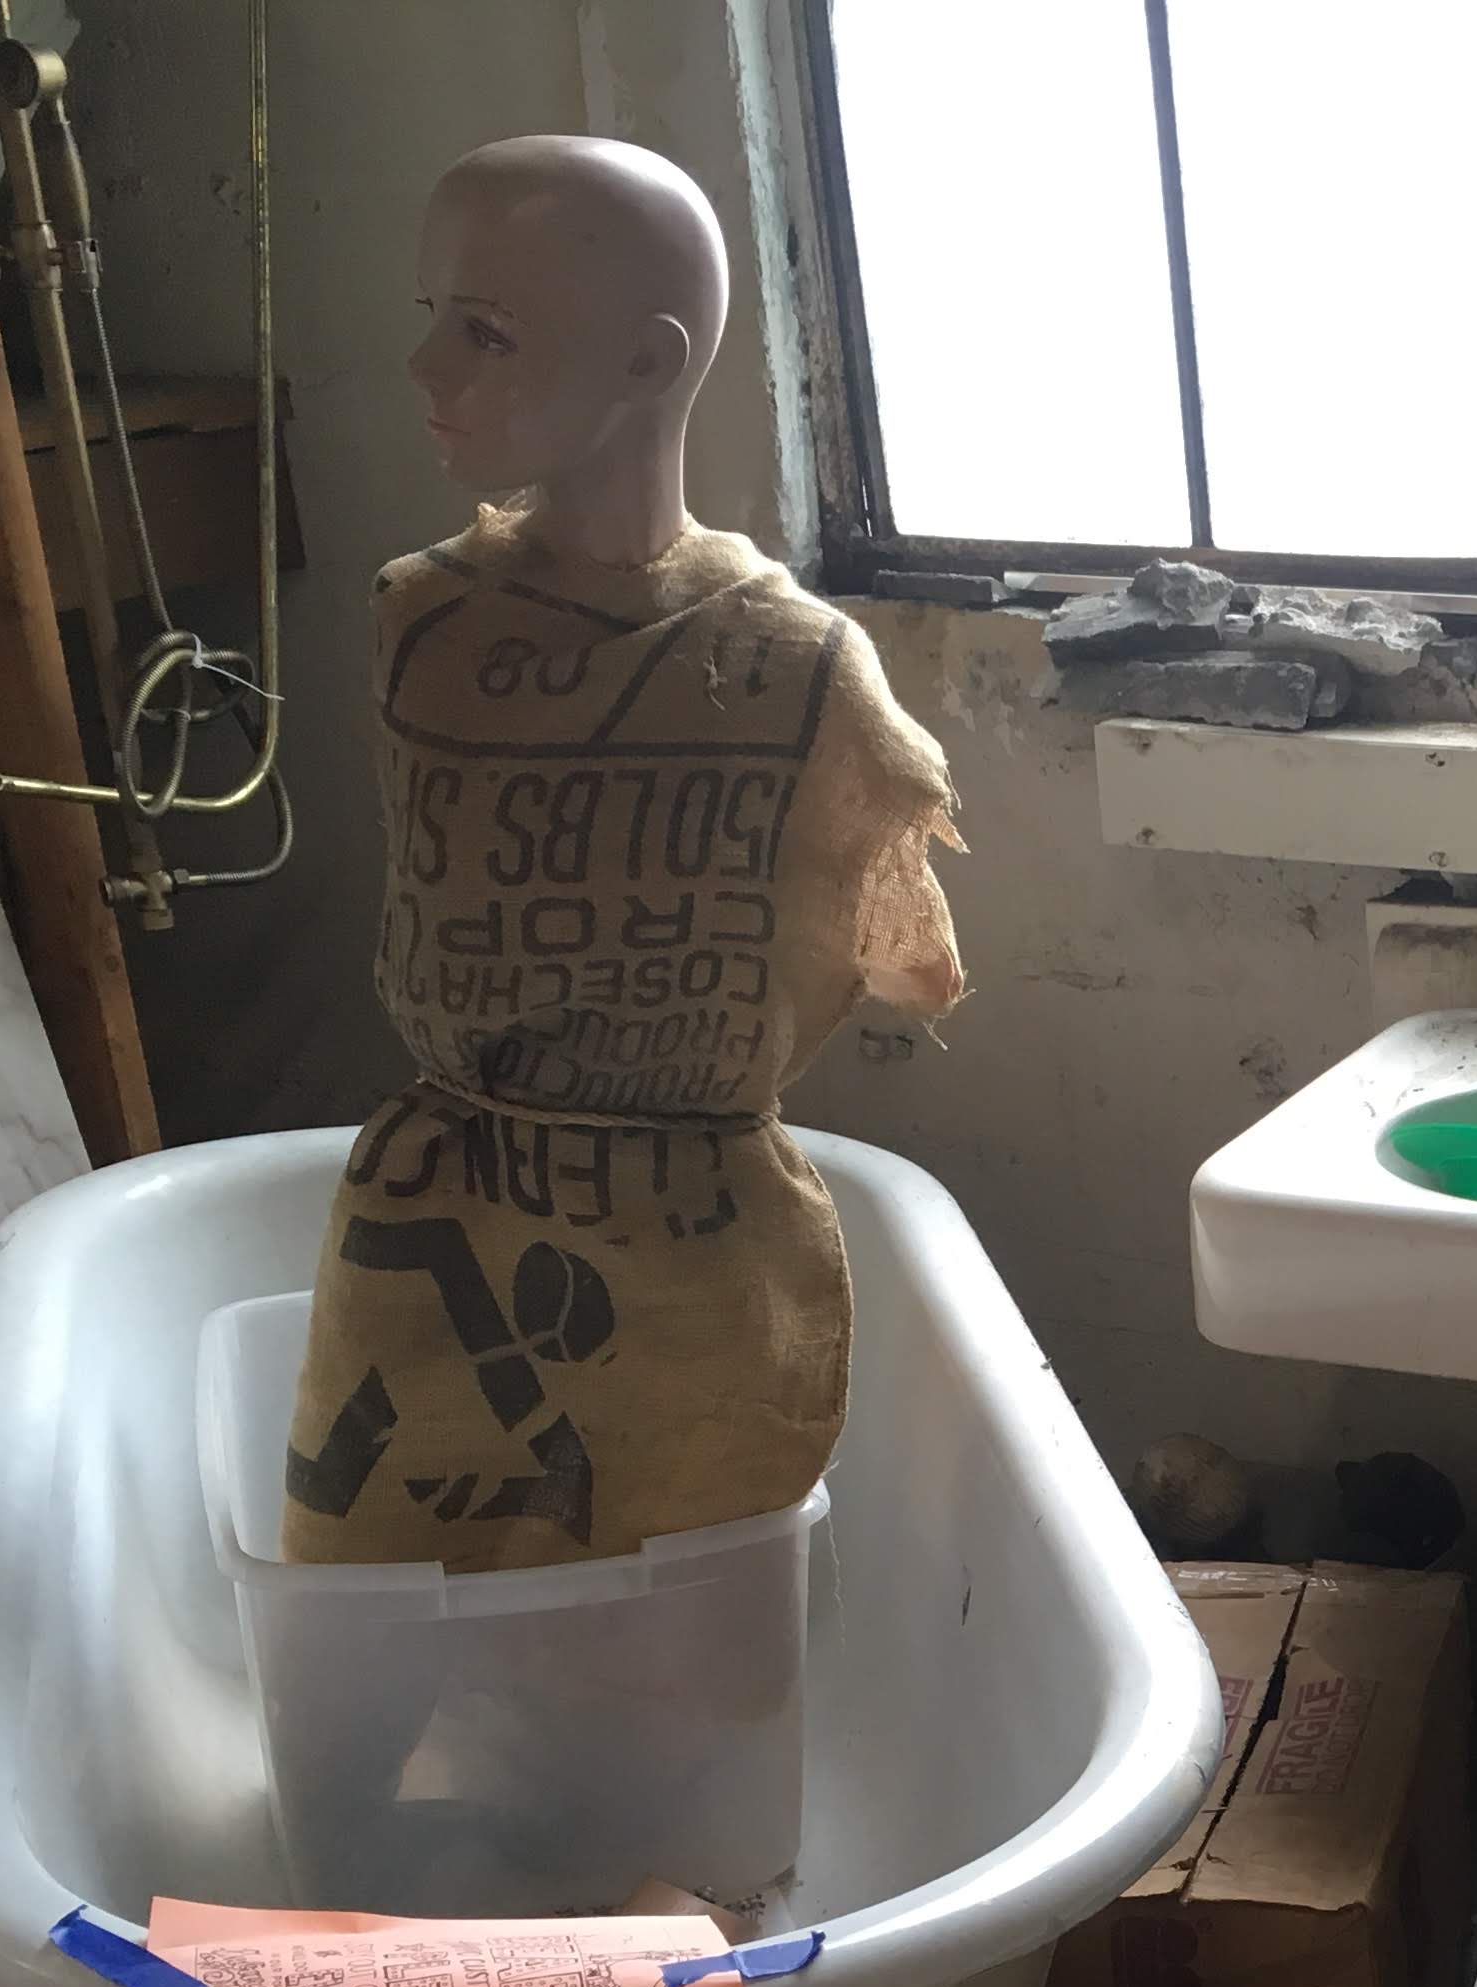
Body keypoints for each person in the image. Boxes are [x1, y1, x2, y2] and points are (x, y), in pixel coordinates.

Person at [278, 135, 964, 1574]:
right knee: (391, 1586)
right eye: (434, 319)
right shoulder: (420, 621)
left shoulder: (801, 669)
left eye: (486, 332)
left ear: (651, 362)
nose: (425, 368)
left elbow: (891, 946)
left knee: (684, 1597)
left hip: (697, 1241)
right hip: (435, 1198)